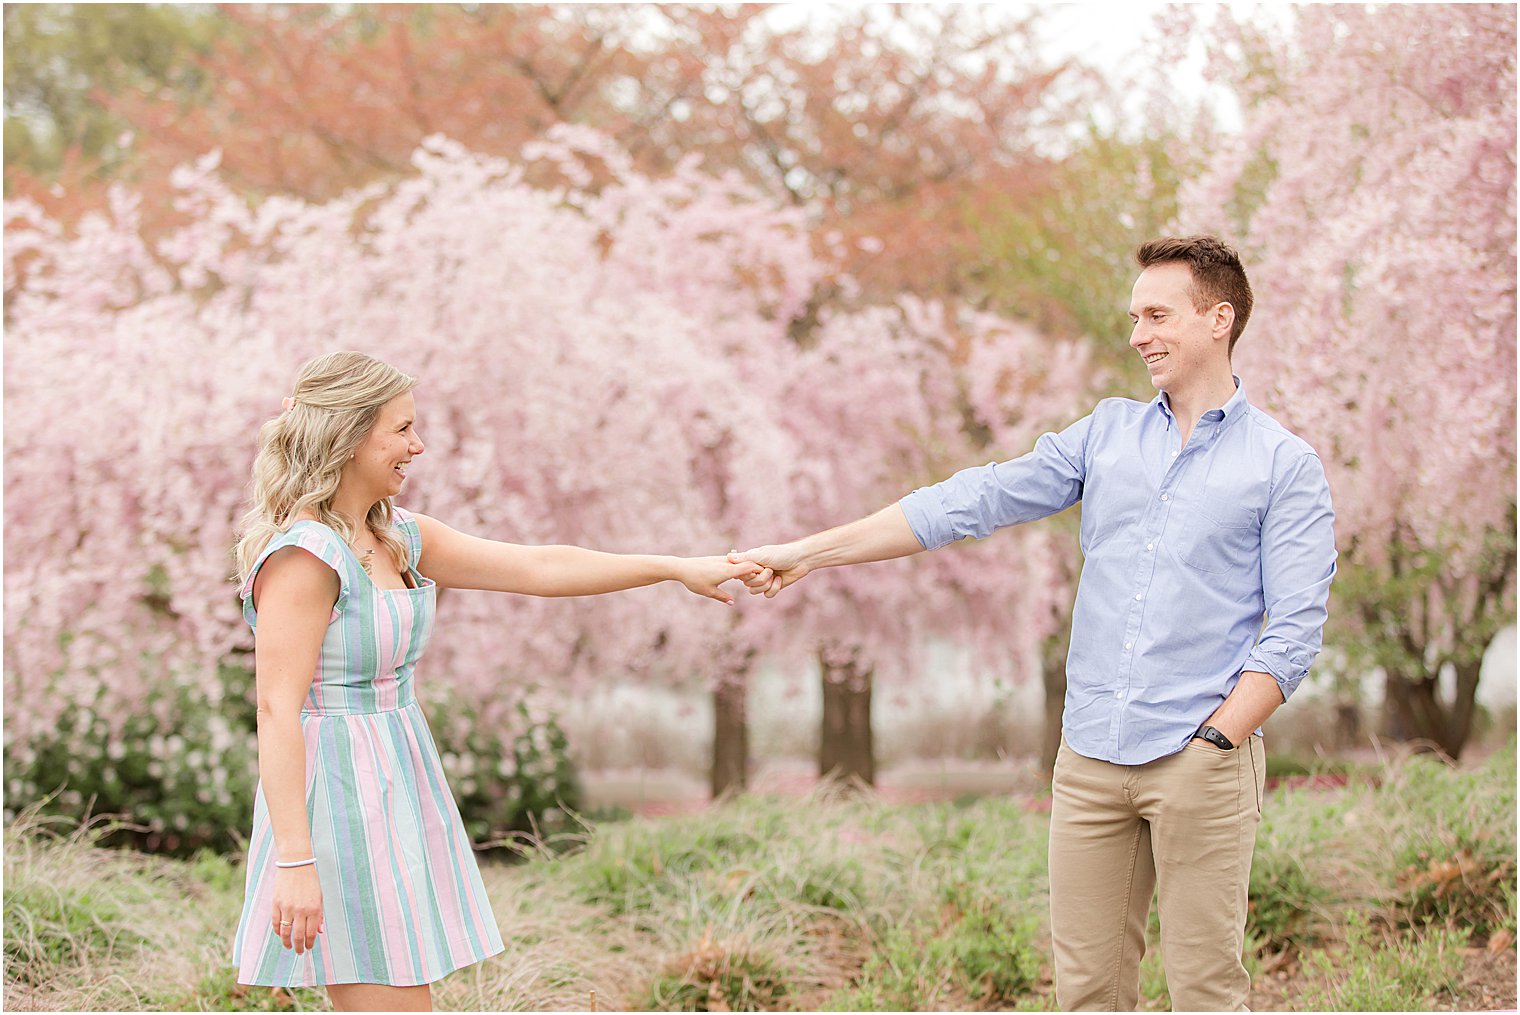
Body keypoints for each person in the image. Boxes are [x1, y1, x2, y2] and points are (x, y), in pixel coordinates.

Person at [730, 236, 1336, 1011]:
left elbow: (1293, 631)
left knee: (1207, 991)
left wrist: (1216, 742)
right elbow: (968, 501)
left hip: (1201, 761)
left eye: (1157, 314)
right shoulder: (1106, 434)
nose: (1137, 334)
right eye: (1133, 316)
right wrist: (809, 553)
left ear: (1219, 319)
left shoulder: (1283, 464)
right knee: (1085, 992)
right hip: (1089, 759)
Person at [230, 350, 758, 1012]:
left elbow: (539, 567)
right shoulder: (306, 557)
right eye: (402, 429)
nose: (417, 446)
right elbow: (277, 708)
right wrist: (296, 860)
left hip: (396, 777)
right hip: (337, 797)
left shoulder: (397, 538)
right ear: (350, 432)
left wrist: (675, 567)